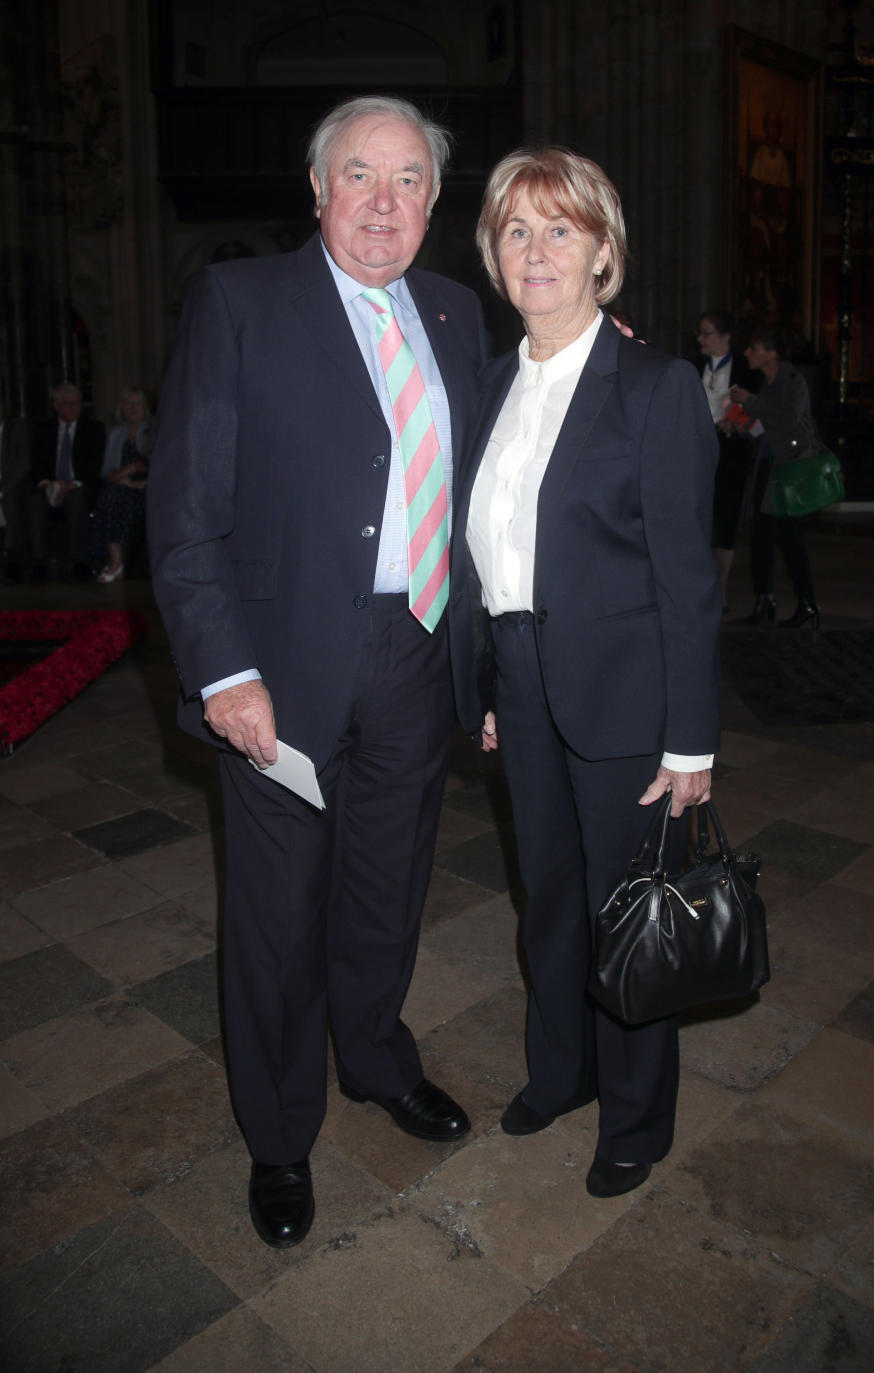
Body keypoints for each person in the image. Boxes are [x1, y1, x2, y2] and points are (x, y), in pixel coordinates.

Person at [147, 95, 486, 1249]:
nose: (383, 202)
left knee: (388, 887)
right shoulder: (241, 303)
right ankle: (280, 1133)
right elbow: (184, 517)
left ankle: (377, 1060)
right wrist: (224, 673)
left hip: (419, 652)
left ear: (435, 204)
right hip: (278, 670)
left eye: (407, 181)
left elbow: (490, 484)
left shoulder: (454, 311)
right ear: (317, 188)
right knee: (276, 913)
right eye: (360, 175)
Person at [449, 148, 721, 1199]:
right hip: (520, 679)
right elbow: (485, 554)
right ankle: (559, 1072)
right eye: (518, 231)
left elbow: (688, 581)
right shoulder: (486, 383)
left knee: (631, 914)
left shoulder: (651, 388)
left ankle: (637, 1116)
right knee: (549, 900)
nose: (538, 250)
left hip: (624, 695)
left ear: (604, 251)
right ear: (494, 254)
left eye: (561, 229)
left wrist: (691, 739)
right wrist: (484, 684)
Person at [729, 327, 821, 630]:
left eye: (754, 348)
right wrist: (742, 426)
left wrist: (752, 403)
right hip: (768, 470)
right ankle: (764, 600)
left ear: (771, 354)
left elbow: (788, 420)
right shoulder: (769, 382)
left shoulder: (792, 381)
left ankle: (807, 603)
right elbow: (767, 425)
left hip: (788, 472)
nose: (747, 353)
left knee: (791, 540)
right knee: (762, 538)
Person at [696, 310, 760, 608]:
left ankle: (719, 590)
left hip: (732, 451)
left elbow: (759, 413)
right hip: (699, 450)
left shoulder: (745, 369)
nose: (701, 339)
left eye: (707, 333)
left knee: (727, 518)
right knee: (700, 517)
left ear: (725, 337)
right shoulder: (692, 366)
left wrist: (738, 422)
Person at [29, 382, 105, 581]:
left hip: (79, 485)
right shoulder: (43, 430)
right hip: (50, 485)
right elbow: (36, 465)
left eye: (77, 403)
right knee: (35, 500)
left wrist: (71, 485)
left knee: (77, 499)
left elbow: (94, 467)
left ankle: (79, 562)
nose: (74, 408)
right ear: (56, 405)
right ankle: (39, 563)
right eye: (68, 403)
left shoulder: (94, 429)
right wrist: (48, 485)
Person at [91, 386, 154, 583]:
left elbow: (153, 466)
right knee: (111, 496)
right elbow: (107, 472)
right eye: (128, 404)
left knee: (116, 497)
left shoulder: (153, 430)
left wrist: (133, 477)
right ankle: (115, 559)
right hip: (120, 487)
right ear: (122, 408)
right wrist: (127, 473)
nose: (133, 408)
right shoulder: (116, 434)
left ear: (145, 407)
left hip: (148, 488)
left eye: (137, 404)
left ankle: (116, 562)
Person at [0, 397, 32, 583]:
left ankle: (12, 562)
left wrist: (2, 489)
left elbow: (24, 464)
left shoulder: (16, 428)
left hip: (11, 485)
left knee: (10, 500)